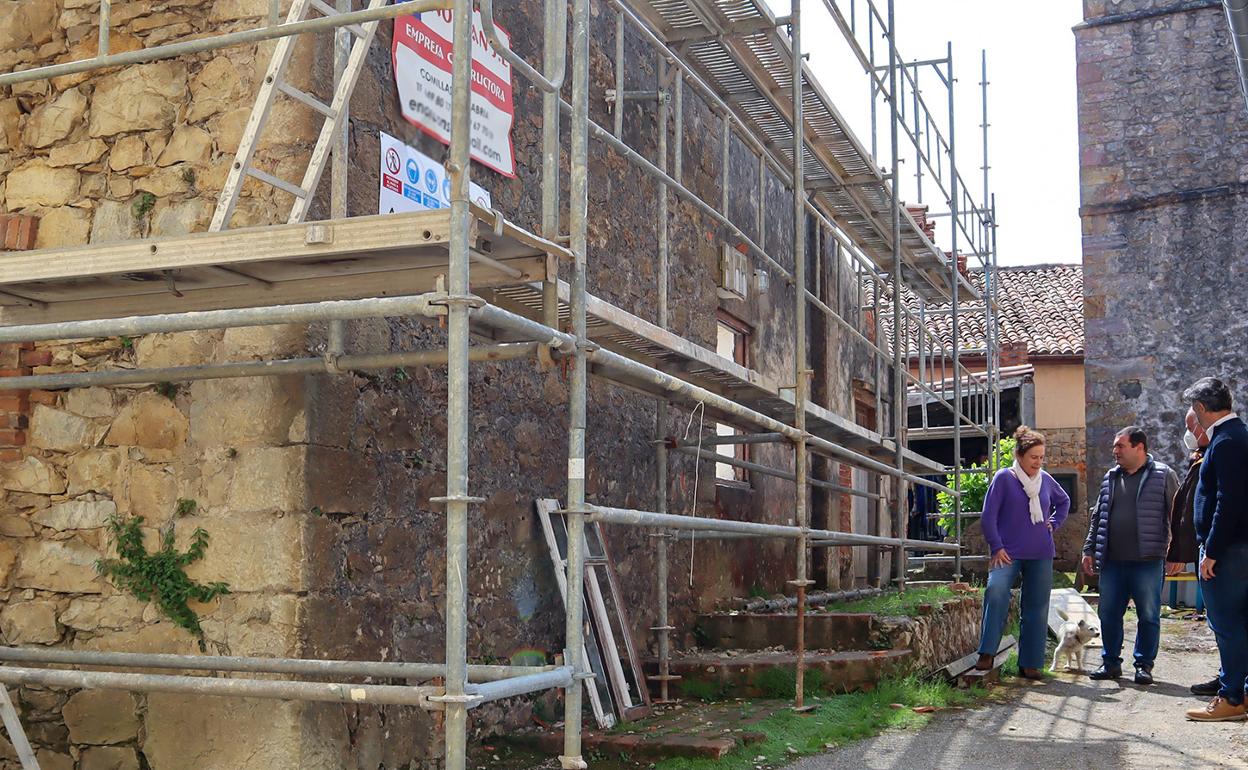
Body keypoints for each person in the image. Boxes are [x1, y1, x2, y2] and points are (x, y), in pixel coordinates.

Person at [1081, 427, 1178, 685]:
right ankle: (1110, 662)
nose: (1115, 451)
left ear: (1139, 447)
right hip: (1112, 561)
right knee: (1108, 613)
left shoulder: (1164, 475)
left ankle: (1144, 665)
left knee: (1148, 614)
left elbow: (1176, 516)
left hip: (1148, 561)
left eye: (1120, 446)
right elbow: (1098, 517)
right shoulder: (1110, 477)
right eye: (1115, 446)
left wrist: (1178, 551)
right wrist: (1089, 549)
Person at [975, 426, 1071, 679]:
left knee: (1037, 606)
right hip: (1006, 552)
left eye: (1041, 457)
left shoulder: (1046, 480)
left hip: (1040, 553)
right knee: (996, 592)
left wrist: (1055, 522)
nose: (1038, 462)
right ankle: (987, 652)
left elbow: (1064, 502)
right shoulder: (1004, 478)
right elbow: (988, 516)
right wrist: (997, 546)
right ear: (1019, 455)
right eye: (1033, 457)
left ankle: (1030, 662)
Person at [1181, 377, 1248, 722]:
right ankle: (1240, 690)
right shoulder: (1238, 435)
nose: (1194, 415)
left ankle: (1232, 698)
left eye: (1194, 408)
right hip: (1237, 547)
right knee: (1240, 623)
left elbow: (1228, 501)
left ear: (1203, 408)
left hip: (1229, 550)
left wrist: (1212, 551)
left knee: (1228, 624)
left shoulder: (1225, 441)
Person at [1166, 410, 1220, 696]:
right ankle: (1228, 675)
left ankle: (1232, 681)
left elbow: (1196, 510)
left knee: (1226, 621)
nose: (1187, 434)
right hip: (1208, 549)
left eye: (1190, 427)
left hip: (1219, 552)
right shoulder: (1201, 457)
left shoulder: (1218, 455)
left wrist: (1180, 553)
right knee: (1219, 621)